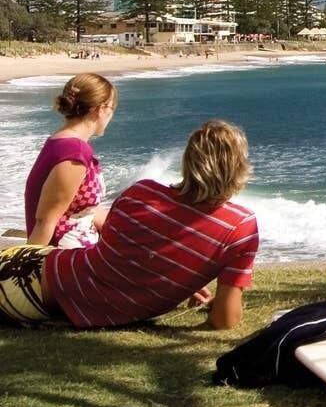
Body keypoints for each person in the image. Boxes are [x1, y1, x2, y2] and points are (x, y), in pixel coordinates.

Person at [0, 120, 259, 329]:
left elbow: (121, 255)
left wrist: (180, 276)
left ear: (189, 162)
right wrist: (181, 277)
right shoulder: (240, 227)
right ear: (239, 168)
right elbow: (225, 321)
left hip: (34, 277)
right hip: (27, 283)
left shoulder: (142, 193)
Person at [24, 74, 116, 248]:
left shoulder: (59, 141)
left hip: (75, 249)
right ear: (100, 109)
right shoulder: (76, 152)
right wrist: (25, 267)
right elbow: (45, 220)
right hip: (66, 260)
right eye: (112, 108)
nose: (111, 115)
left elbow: (79, 208)